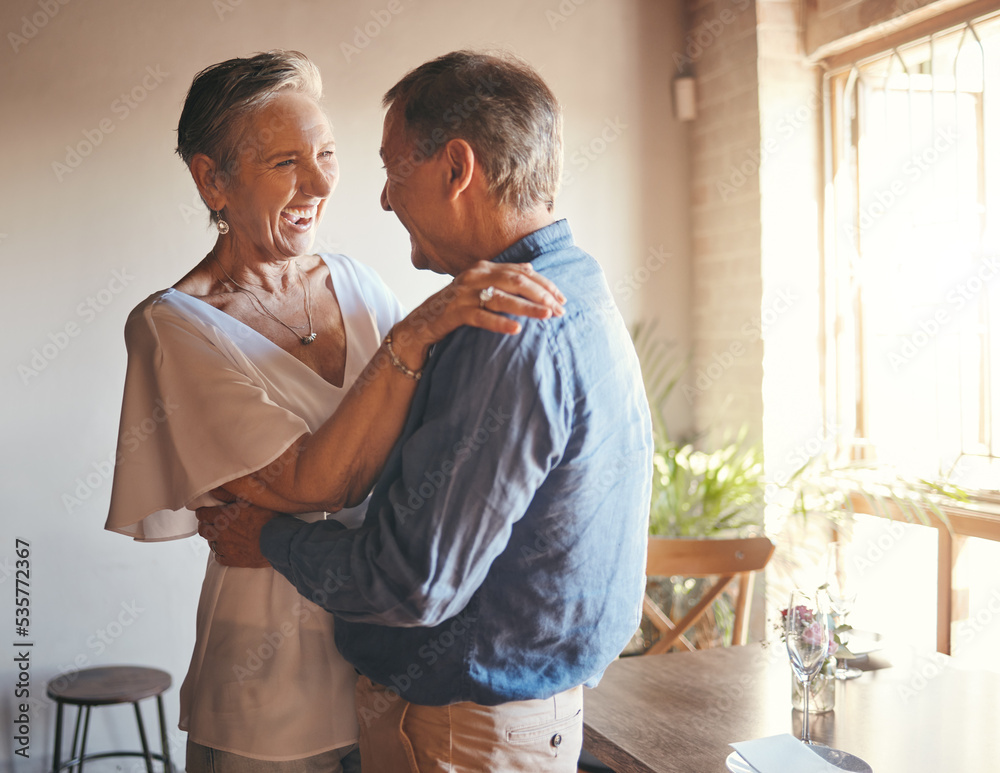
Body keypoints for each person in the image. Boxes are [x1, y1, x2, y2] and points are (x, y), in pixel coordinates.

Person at [104, 50, 565, 773]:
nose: (320, 183)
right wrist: (415, 331)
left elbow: (422, 443)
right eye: (287, 161)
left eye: (326, 154)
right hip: (273, 686)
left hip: (398, 673)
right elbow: (313, 482)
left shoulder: (354, 281)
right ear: (211, 179)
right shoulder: (174, 326)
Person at [200, 51, 653, 772]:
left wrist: (270, 537)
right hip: (526, 722)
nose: (381, 198)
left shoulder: (501, 329)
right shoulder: (577, 284)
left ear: (455, 168)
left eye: (391, 167)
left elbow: (410, 582)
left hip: (460, 737)